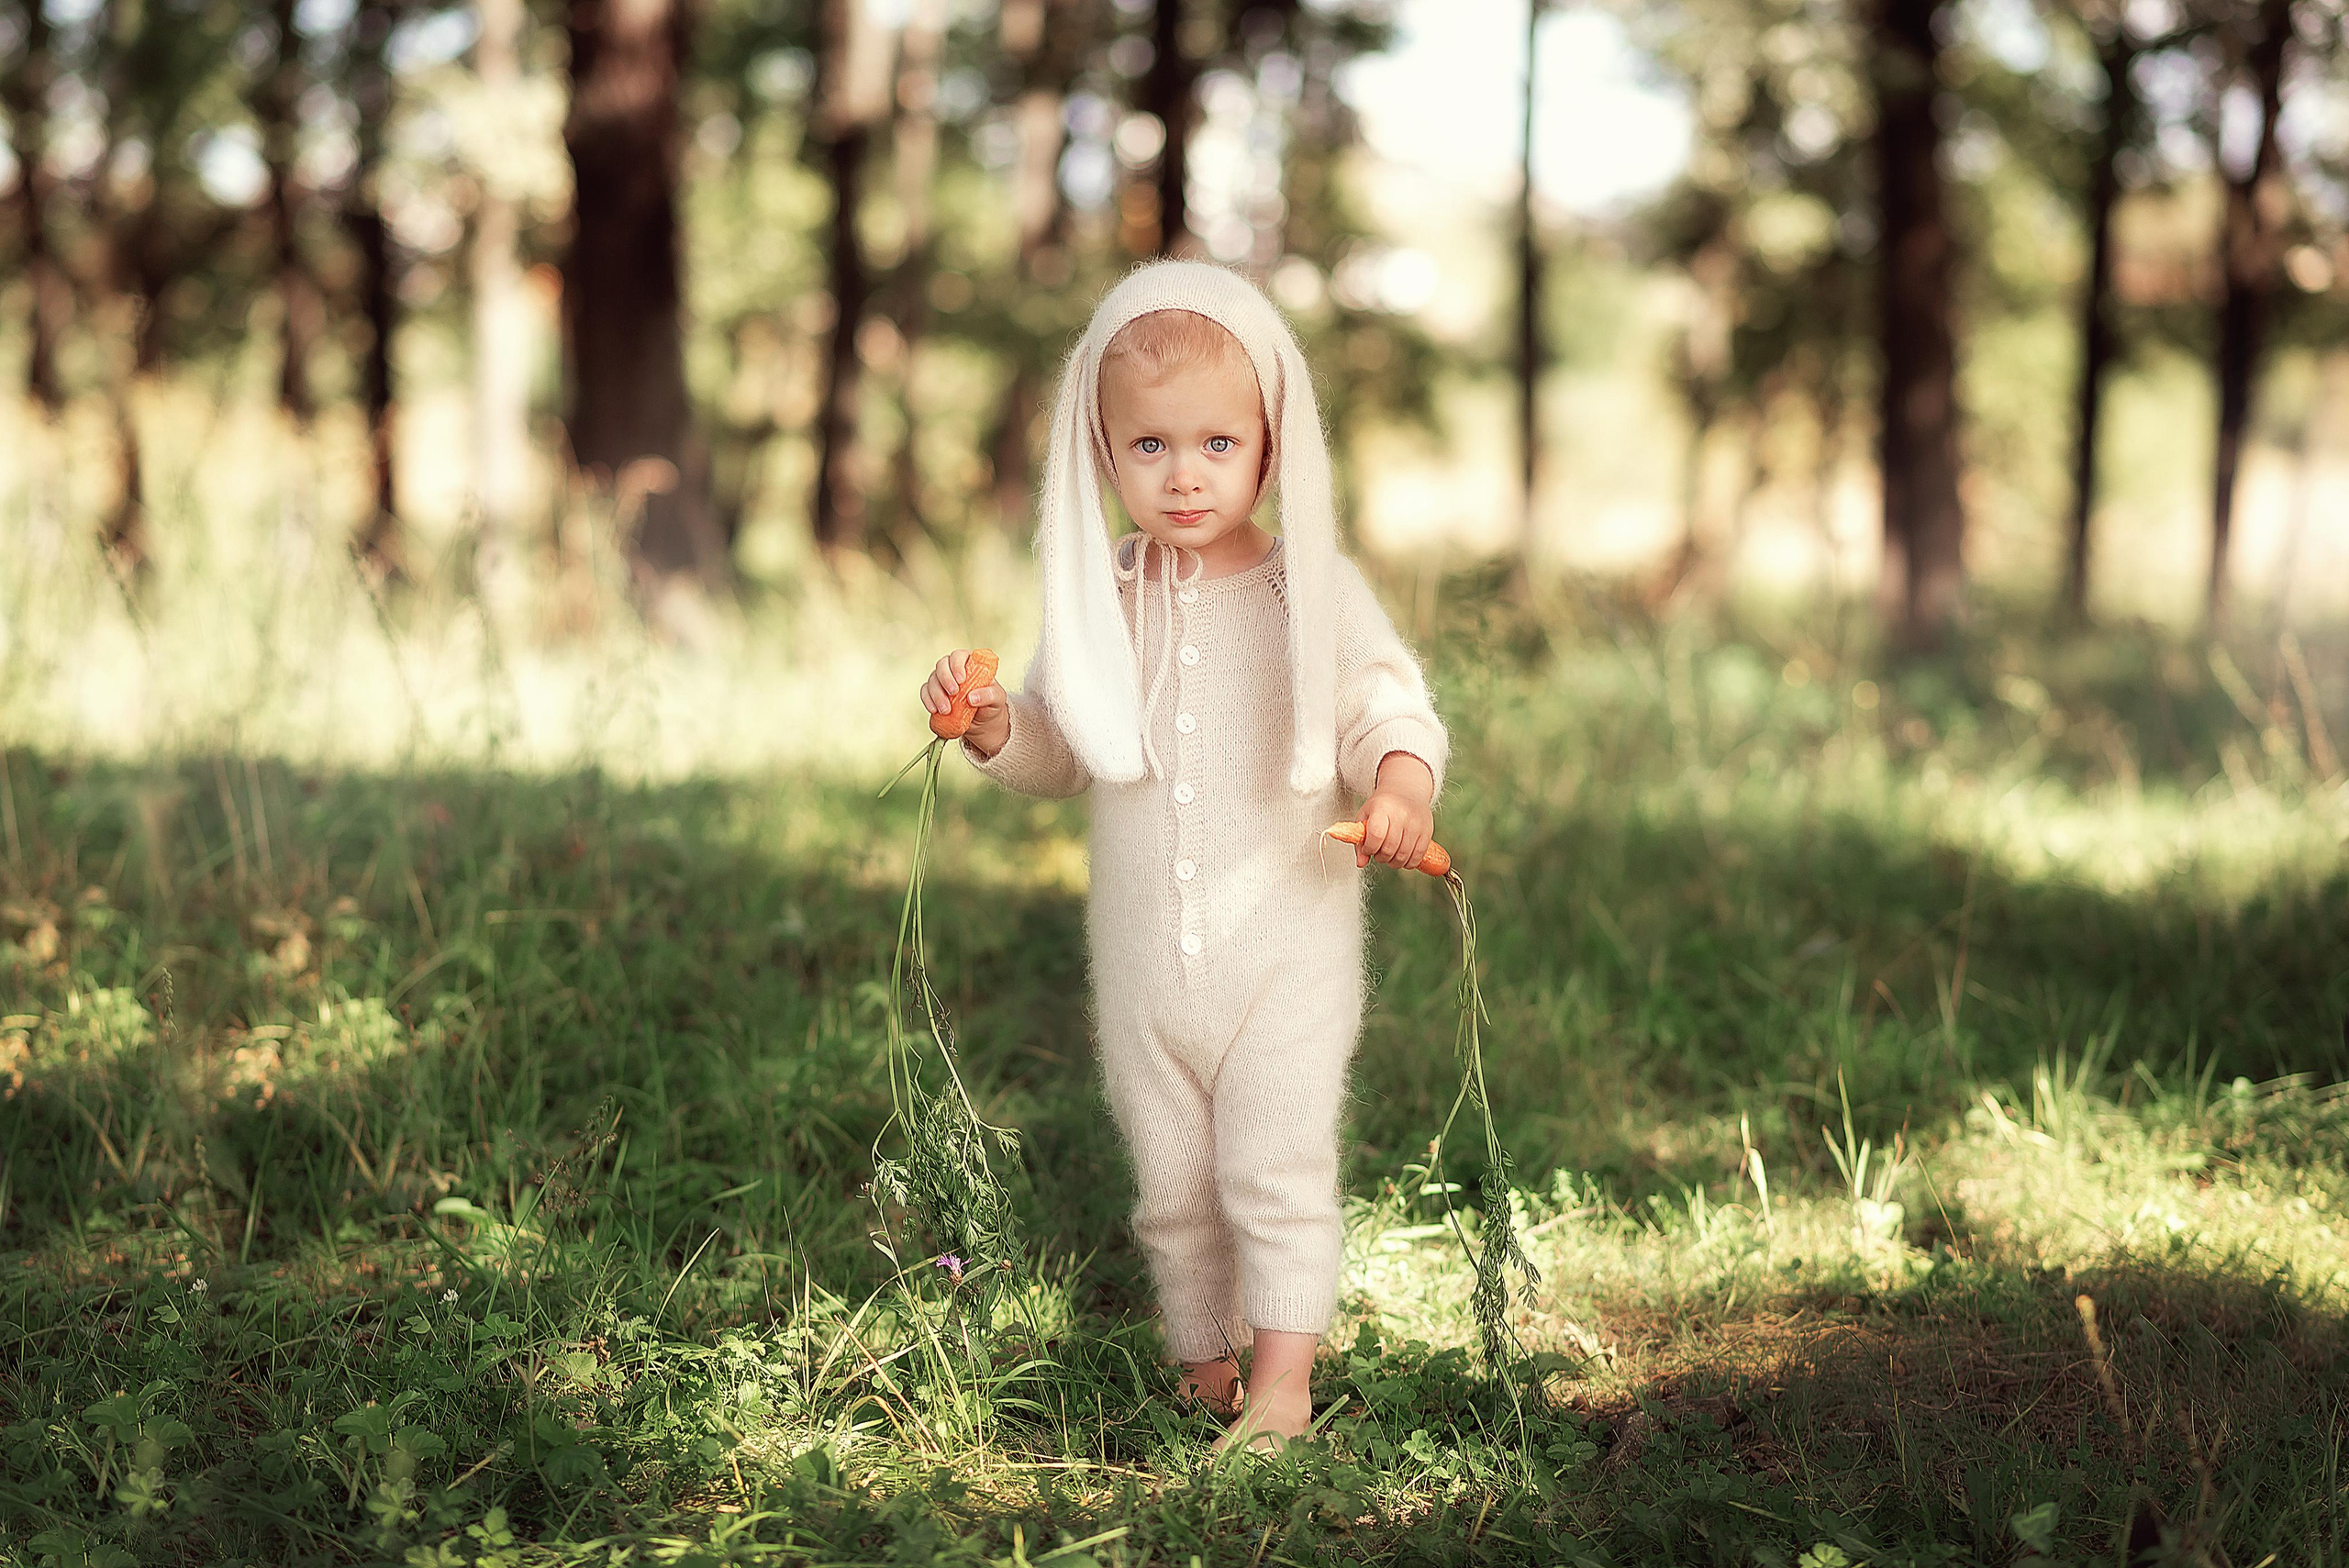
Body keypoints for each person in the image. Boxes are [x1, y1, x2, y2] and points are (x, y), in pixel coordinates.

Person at [920, 260, 1446, 1455]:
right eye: (1149, 446)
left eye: (1218, 439)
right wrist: (996, 725)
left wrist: (1403, 780)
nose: (1186, 472)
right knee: (1171, 1180)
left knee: (1273, 1158)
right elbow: (1065, 748)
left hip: (1288, 952)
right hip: (1148, 965)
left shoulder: (1306, 587)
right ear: (1101, 456)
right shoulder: (1105, 591)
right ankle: (1201, 1361)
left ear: (1272, 440)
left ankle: (1283, 1382)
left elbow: (1382, 701)